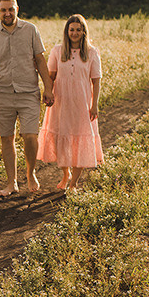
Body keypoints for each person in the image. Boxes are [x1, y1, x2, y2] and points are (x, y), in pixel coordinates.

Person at [0, 0, 54, 197]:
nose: (7, 13)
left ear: (17, 9)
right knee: (7, 139)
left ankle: (30, 173)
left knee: (30, 135)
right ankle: (11, 182)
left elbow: (40, 60)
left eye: (11, 9)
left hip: (28, 92)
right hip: (1, 93)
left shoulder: (30, 30)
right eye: (3, 10)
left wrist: (48, 88)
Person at [37, 14, 103, 191]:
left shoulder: (92, 52)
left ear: (83, 32)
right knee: (62, 139)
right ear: (67, 31)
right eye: (71, 29)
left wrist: (94, 104)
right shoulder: (58, 51)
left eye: (78, 30)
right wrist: (48, 92)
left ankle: (74, 182)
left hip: (82, 103)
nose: (74, 33)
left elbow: (96, 81)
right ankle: (66, 173)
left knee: (81, 139)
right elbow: (50, 76)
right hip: (61, 102)